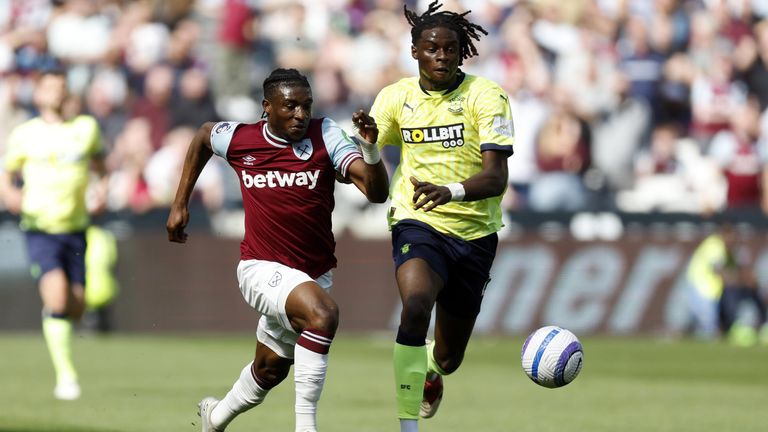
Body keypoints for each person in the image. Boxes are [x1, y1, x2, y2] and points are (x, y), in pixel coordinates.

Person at [166, 68, 388, 432]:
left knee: (269, 370)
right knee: (323, 314)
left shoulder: (326, 133)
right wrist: (180, 203)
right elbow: (204, 137)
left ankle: (215, 418)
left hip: (313, 272)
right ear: (266, 108)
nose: (301, 115)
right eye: (290, 107)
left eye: (306, 105)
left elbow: (377, 193)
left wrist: (369, 147)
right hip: (259, 267)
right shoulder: (241, 139)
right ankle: (306, 427)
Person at [368, 3, 514, 431]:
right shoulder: (395, 97)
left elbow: (496, 178)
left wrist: (449, 192)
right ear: (415, 51)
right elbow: (369, 158)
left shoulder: (486, 96)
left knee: (449, 358)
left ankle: (430, 368)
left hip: (475, 233)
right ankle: (407, 424)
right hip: (417, 220)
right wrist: (369, 147)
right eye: (433, 49)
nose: (443, 57)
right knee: (415, 306)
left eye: (451, 50)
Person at [0, 69, 109, 400]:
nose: (58, 93)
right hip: (40, 228)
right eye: (51, 88)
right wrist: (10, 195)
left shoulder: (85, 129)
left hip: (76, 227)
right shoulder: (25, 134)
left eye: (62, 87)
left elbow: (101, 166)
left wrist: (102, 190)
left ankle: (55, 317)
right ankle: (66, 376)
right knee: (59, 297)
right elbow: (6, 174)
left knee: (76, 306)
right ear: (39, 95)